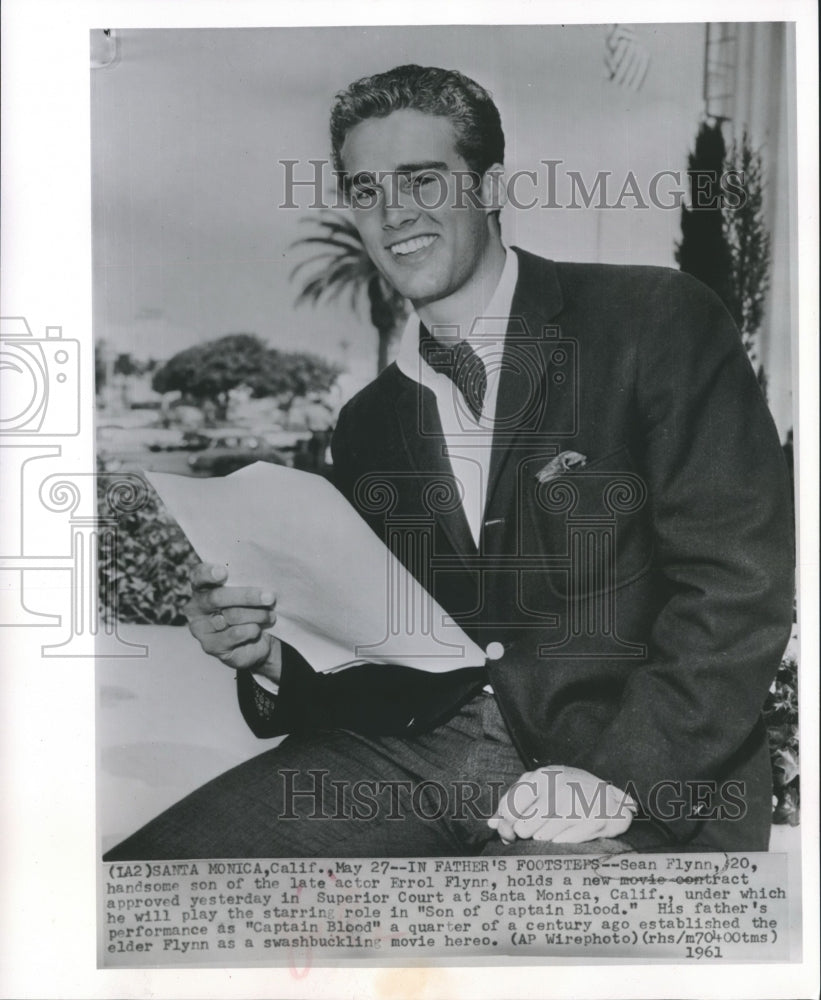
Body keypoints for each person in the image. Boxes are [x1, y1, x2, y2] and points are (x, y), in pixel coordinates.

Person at [105, 65, 794, 860]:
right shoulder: (370, 422)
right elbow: (394, 648)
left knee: (526, 962)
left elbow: (737, 582)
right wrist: (268, 654)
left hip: (634, 763)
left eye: (422, 181)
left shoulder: (654, 321)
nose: (393, 213)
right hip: (414, 758)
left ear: (489, 186)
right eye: (365, 191)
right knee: (131, 895)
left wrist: (619, 774)